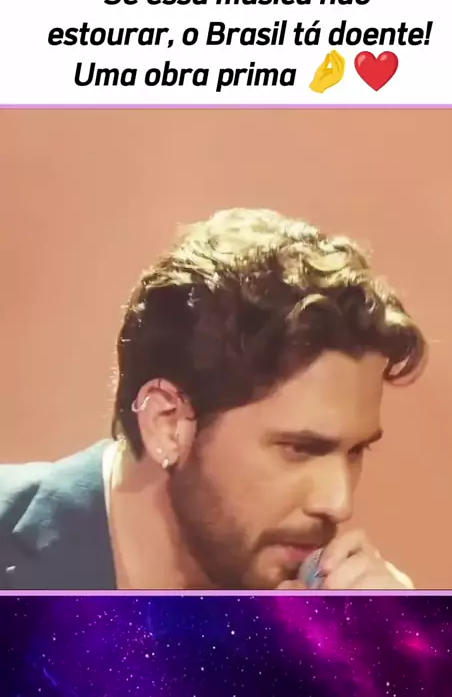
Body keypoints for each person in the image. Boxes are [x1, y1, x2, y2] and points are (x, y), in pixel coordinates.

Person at [0, 208, 426, 591]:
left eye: (356, 451)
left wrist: (383, 648)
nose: (338, 503)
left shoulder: (312, 620)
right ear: (168, 424)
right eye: (299, 448)